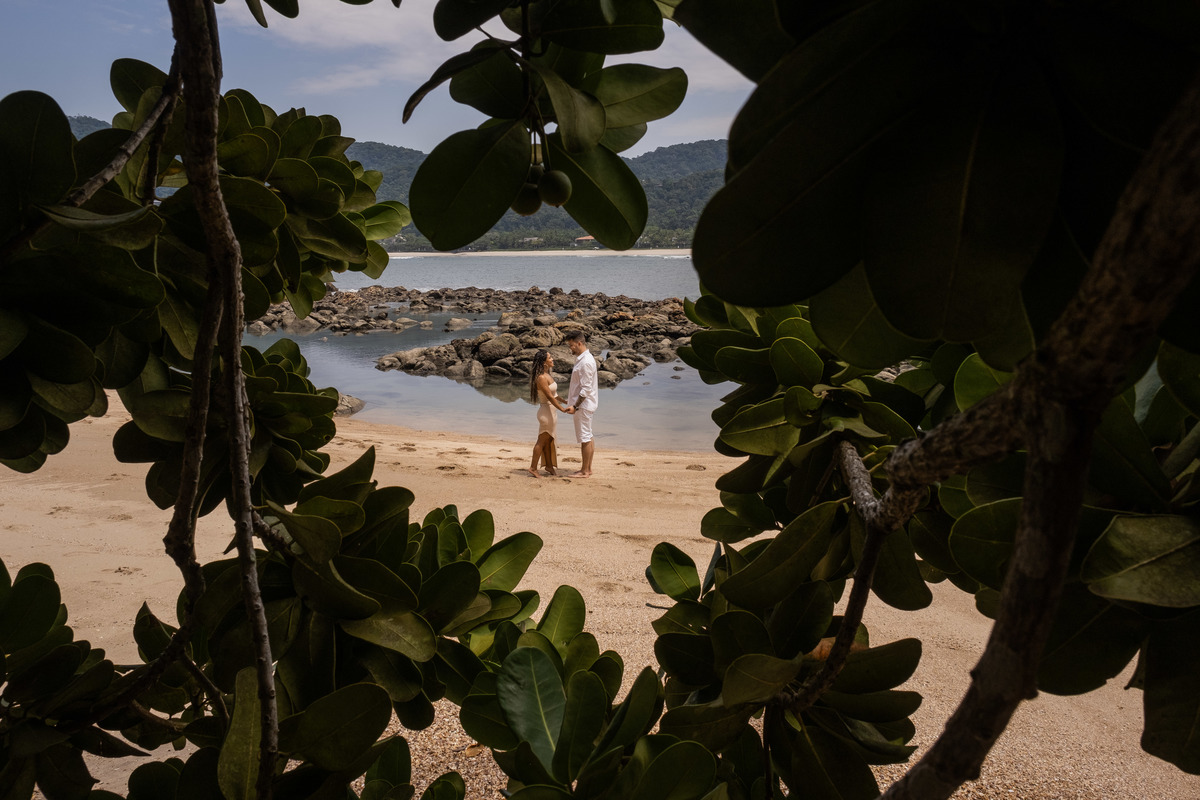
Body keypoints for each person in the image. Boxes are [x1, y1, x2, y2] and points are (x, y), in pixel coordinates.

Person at [527, 349, 568, 478]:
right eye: (550, 358)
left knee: (549, 439)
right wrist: (563, 409)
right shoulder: (541, 378)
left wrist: (565, 401)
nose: (552, 359)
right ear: (544, 362)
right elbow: (549, 397)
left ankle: (549, 466)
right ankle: (533, 468)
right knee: (542, 440)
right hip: (546, 412)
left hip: (551, 411)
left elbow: (554, 395)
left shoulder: (547, 374)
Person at [564, 329, 598, 477]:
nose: (570, 348)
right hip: (585, 405)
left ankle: (585, 470)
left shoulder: (586, 362)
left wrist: (575, 406)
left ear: (579, 343)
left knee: (585, 437)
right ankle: (587, 469)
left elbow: (585, 389)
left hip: (583, 406)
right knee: (588, 436)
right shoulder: (585, 359)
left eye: (571, 345)